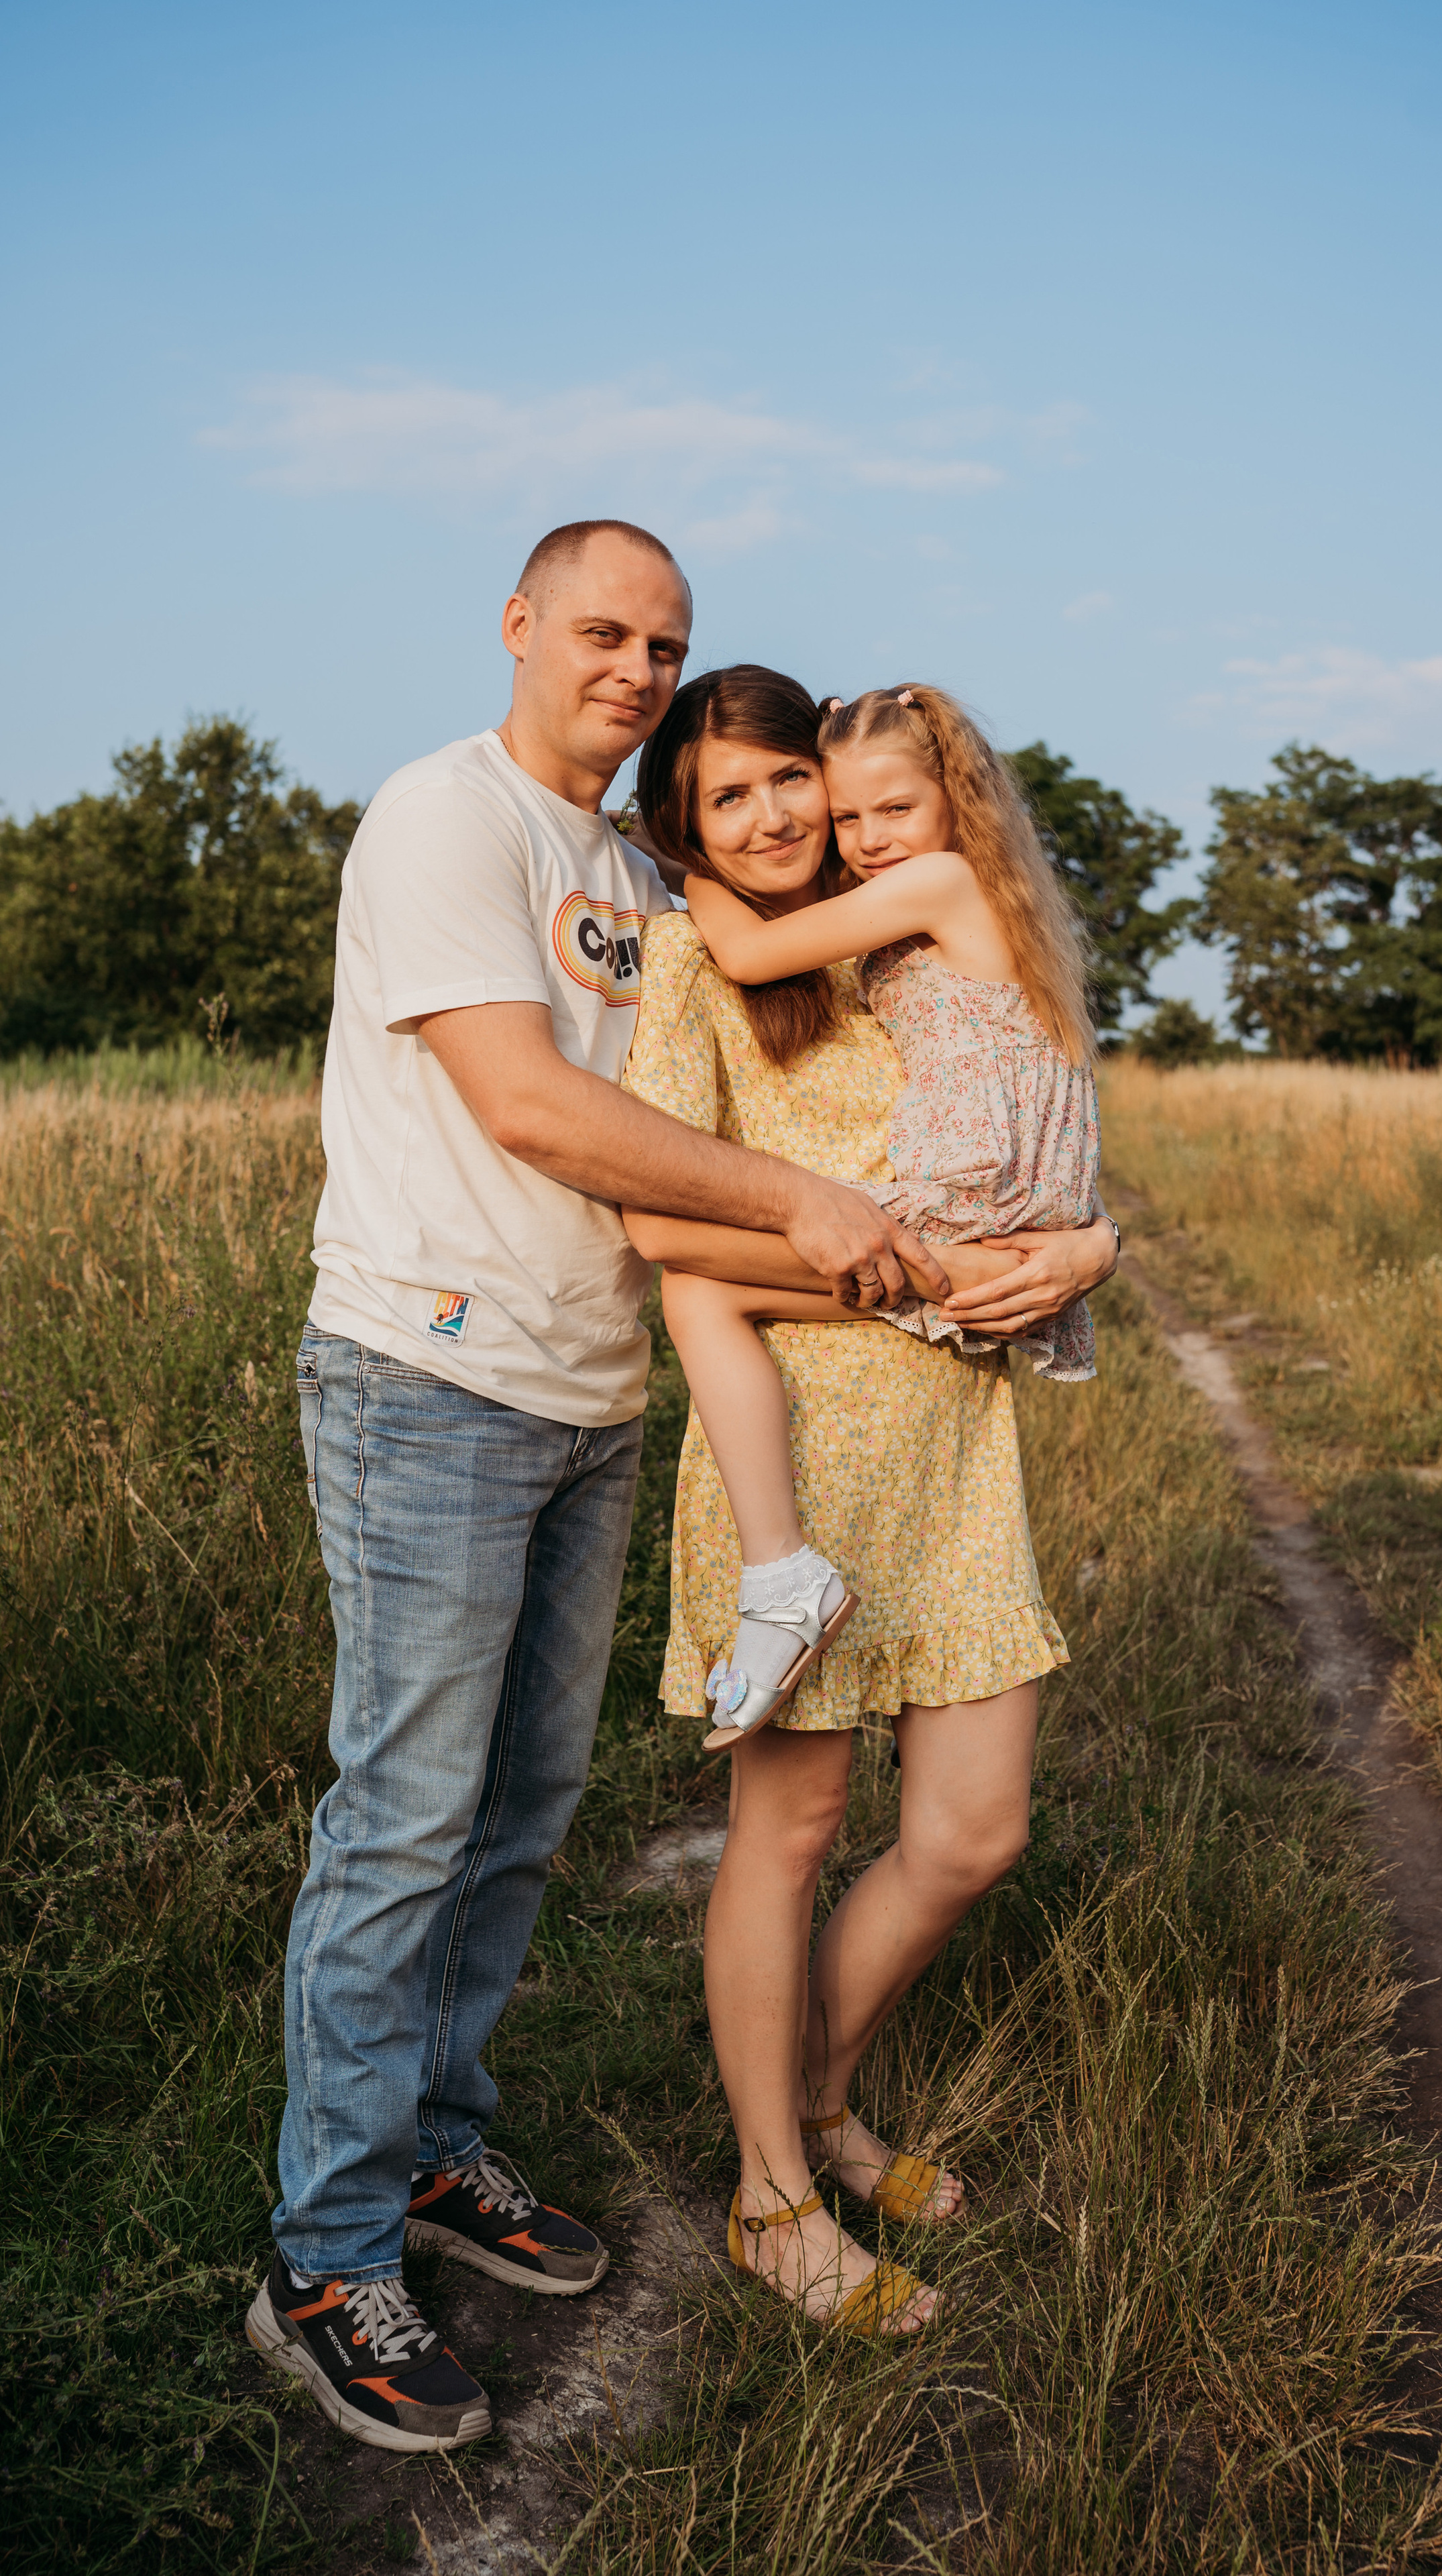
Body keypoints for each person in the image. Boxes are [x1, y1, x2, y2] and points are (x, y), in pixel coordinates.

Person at [245, 524, 954, 2457]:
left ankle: (438, 2156)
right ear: (518, 629)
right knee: (404, 1817)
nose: (636, 667)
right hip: (426, 1377)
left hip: (588, 1396)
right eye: (603, 632)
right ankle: (324, 2249)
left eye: (668, 644)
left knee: (522, 1812)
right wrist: (806, 1202)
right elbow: (536, 1105)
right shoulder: (443, 821)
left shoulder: (632, 867)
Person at [620, 665, 1118, 2333]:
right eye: (728, 802)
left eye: (787, 787)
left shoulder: (894, 934)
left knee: (973, 1832)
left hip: (960, 1440)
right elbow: (665, 1234)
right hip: (804, 1439)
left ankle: (821, 2097)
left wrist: (1083, 1249)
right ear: (685, 830)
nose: (772, 822)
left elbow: (1035, 1136)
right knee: (794, 1830)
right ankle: (771, 2193)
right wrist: (911, 1272)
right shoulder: (697, 963)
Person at [669, 682, 1101, 1753]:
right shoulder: (960, 901)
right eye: (850, 817)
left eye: (892, 811)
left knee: (697, 1284)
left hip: (966, 1207)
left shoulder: (942, 885)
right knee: (696, 1278)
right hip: (995, 1203)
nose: (867, 842)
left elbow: (752, 955)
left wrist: (677, 861)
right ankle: (783, 1576)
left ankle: (781, 1574)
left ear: (954, 799)